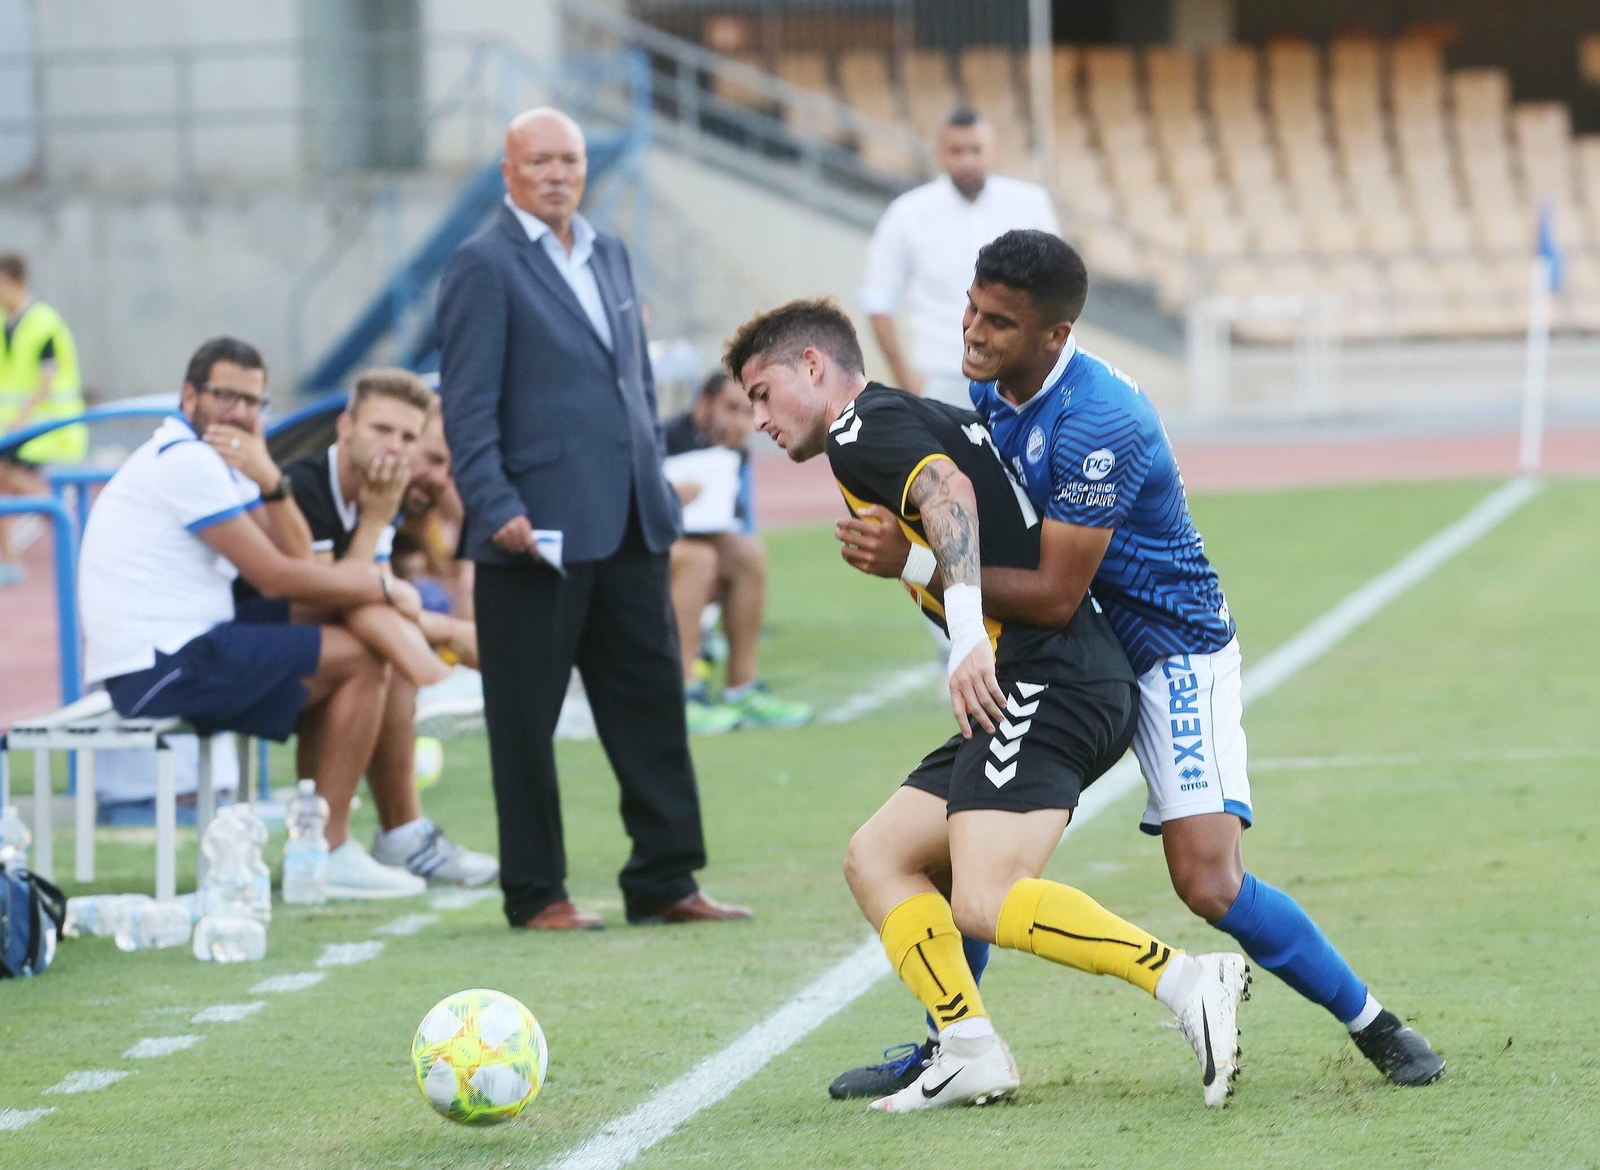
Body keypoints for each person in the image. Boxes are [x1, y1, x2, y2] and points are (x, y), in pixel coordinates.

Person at [837, 230, 1448, 1087]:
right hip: (1067, 657)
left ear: (1056, 333)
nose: (972, 331)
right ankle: (956, 1044)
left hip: (1166, 647)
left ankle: (1374, 1023)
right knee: (976, 834)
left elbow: (1052, 588)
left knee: (1208, 882)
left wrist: (909, 561)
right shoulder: (993, 389)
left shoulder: (1098, 421)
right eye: (972, 309)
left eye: (999, 322)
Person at [725, 298, 1249, 1112]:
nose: (753, 416)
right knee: (879, 856)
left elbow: (948, 494)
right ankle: (968, 1048)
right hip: (1043, 675)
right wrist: (921, 579)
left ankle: (1187, 981)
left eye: (761, 393)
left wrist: (966, 633)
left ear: (814, 368)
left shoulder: (860, 430)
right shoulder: (893, 419)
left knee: (984, 895)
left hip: (1057, 676)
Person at [437, 106, 750, 931]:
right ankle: (537, 893)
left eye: (569, 160)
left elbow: (633, 389)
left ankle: (665, 877)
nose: (557, 174)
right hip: (532, 534)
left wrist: (655, 485)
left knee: (652, 705)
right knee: (524, 724)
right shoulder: (482, 266)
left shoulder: (608, 252)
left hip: (629, 524)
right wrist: (495, 503)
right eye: (538, 161)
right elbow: (466, 407)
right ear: (507, 172)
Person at [78, 337, 429, 899]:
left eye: (253, 402)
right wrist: (382, 583)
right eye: (225, 396)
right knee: (360, 653)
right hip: (157, 666)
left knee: (342, 641)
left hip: (187, 650)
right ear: (189, 395)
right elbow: (276, 576)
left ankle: (319, 846)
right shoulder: (185, 459)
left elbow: (297, 561)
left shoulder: (224, 461)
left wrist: (270, 478)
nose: (240, 413)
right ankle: (327, 850)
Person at [272, 367, 495, 887]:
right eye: (382, 431)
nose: (395, 448)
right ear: (347, 427)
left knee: (377, 637)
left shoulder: (376, 496)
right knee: (373, 642)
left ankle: (395, 835)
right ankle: (345, 843)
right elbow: (337, 592)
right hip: (243, 644)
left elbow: (369, 594)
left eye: (407, 437)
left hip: (307, 642)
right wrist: (444, 634)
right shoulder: (306, 484)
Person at [858, 108, 1058, 410]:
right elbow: (877, 301)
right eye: (956, 150)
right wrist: (906, 380)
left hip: (1016, 378)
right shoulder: (907, 213)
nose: (967, 160)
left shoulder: (1031, 205)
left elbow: (1057, 288)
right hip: (940, 378)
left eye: (975, 150)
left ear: (993, 151)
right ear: (940, 153)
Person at [663, 369, 813, 734]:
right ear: (704, 402)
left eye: (749, 412)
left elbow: (724, 522)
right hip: (640, 548)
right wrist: (668, 498)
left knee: (748, 554)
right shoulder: (662, 439)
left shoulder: (733, 449)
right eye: (731, 408)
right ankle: (681, 694)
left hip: (692, 545)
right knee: (699, 560)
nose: (740, 422)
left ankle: (741, 688)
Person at [0, 253, 86, 587]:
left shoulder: (43, 322)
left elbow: (46, 379)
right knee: (4, 482)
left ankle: (68, 526)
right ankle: (10, 558)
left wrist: (20, 419)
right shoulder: (5, 322)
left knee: (9, 478)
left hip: (44, 428)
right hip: (15, 427)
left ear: (14, 281)